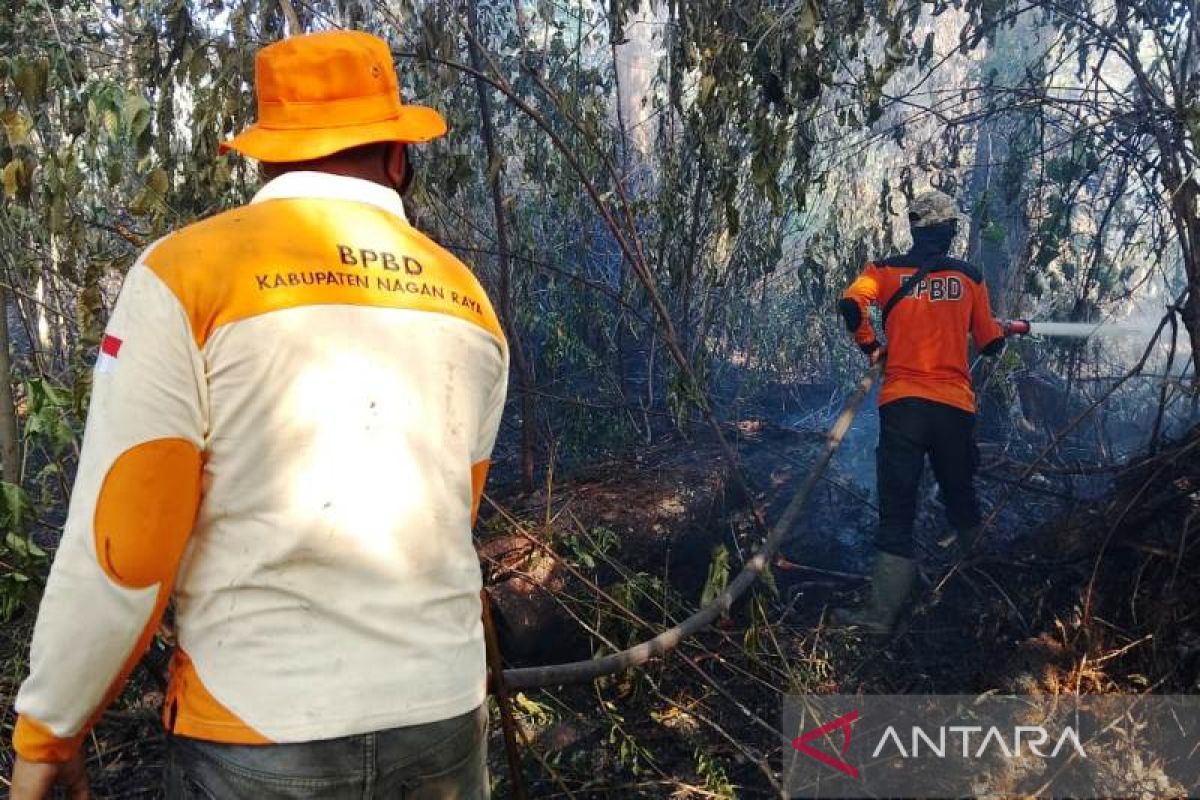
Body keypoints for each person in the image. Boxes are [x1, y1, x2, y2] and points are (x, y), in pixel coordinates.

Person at [9, 30, 508, 799]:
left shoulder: (186, 276)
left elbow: (126, 552)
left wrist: (51, 731)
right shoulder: (468, 300)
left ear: (264, 155)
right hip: (442, 719)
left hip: (259, 731)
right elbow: (451, 513)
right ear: (399, 159)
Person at [833, 190, 1007, 634]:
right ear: (950, 231)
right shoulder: (971, 277)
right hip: (953, 408)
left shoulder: (885, 271)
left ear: (915, 228)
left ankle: (880, 616)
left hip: (903, 406)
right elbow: (991, 344)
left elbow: (851, 304)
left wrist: (872, 347)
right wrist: (990, 326)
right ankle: (989, 594)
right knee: (960, 497)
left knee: (897, 509)